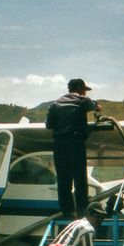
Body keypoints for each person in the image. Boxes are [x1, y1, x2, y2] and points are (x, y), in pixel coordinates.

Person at [45, 78, 101, 219]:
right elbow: (95, 107)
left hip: (59, 144)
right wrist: (97, 107)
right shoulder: (82, 100)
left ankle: (67, 212)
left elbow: (49, 125)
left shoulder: (55, 104)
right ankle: (82, 212)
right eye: (83, 90)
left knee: (64, 180)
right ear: (79, 89)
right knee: (79, 178)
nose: (84, 92)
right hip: (75, 143)